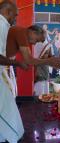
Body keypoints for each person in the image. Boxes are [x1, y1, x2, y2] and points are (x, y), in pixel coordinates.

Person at [0, 1, 26, 142]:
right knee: (7, 108)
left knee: (7, 107)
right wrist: (16, 62)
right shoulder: (1, 24)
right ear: (7, 12)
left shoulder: (4, 25)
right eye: (15, 15)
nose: (15, 19)